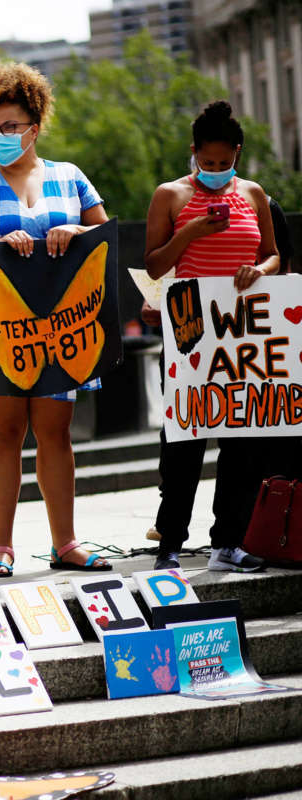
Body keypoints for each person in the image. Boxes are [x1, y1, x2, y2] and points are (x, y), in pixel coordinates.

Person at [0, 62, 111, 578]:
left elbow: (106, 237)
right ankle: (1, 546)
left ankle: (66, 542)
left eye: (10, 126)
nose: (0, 136)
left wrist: (74, 233)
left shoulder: (70, 176)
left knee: (56, 432)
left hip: (64, 325)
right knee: (4, 432)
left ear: (34, 126)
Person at [143, 100, 279, 572]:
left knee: (243, 441)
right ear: (194, 152)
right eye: (208, 163)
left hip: (243, 329)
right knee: (183, 441)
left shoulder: (255, 194)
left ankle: (228, 542)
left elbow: (274, 255)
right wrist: (192, 232)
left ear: (237, 154)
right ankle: (171, 544)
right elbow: (156, 264)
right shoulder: (171, 195)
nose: (217, 170)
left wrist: (257, 269)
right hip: (190, 330)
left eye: (225, 163)